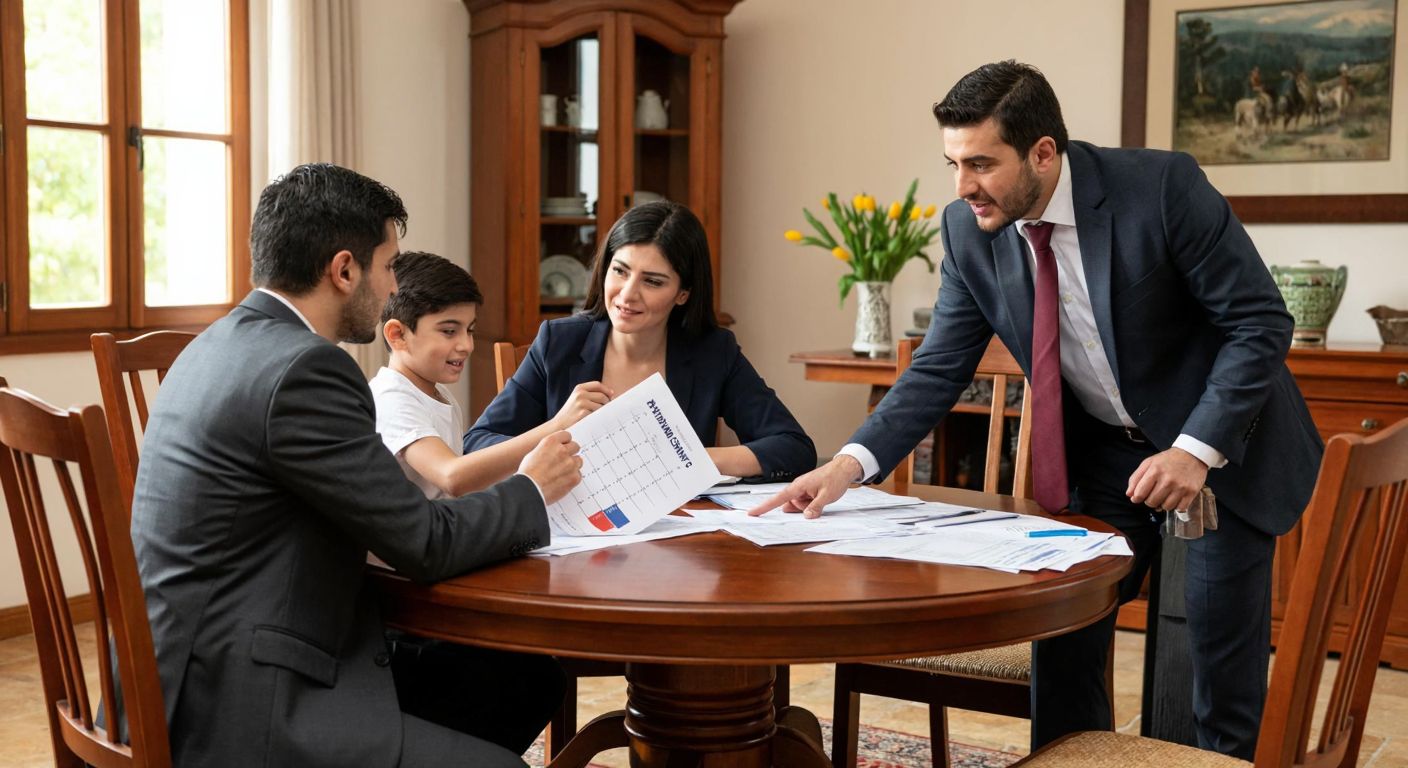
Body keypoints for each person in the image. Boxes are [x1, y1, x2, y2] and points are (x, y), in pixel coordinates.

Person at [751, 61, 1322, 760]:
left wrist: (1194, 449)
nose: (963, 187)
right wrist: (846, 466)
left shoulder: (1163, 189)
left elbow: (1259, 323)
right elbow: (938, 368)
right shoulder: (967, 232)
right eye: (953, 164)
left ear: (1043, 153)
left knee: (1212, 662)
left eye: (982, 164)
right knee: (1064, 629)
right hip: (1106, 457)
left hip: (1219, 449)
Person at [129, 163, 582, 768]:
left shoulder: (213, 343)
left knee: (525, 681)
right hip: (244, 702)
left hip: (178, 669)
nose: (394, 283)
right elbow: (425, 542)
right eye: (390, 265)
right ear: (344, 270)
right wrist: (532, 486)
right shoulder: (307, 370)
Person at [367, 250, 567, 758]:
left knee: (539, 673)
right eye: (448, 330)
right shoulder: (392, 398)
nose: (465, 346)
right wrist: (552, 428)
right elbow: (452, 478)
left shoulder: (435, 395)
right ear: (397, 334)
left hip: (434, 580)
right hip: (400, 608)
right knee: (532, 676)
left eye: (470, 330)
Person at [464, 200, 816, 483]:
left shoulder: (712, 350)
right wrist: (557, 429)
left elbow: (793, 448)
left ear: (682, 295)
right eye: (620, 271)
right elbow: (478, 445)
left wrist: (692, 457)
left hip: (678, 537)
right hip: (573, 532)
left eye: (653, 281)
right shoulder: (559, 341)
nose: (627, 295)